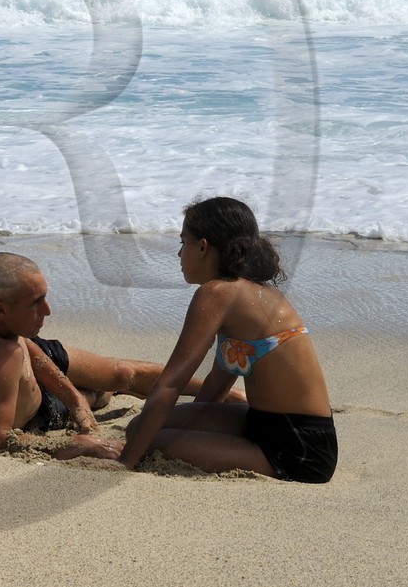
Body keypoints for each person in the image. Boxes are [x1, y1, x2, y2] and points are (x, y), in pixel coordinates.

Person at [103, 196, 337, 482]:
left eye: (182, 242)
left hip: (299, 449)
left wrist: (126, 460)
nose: (179, 254)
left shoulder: (215, 293)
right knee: (139, 428)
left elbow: (172, 382)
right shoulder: (244, 293)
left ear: (202, 247)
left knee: (150, 440)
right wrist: (187, 432)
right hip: (264, 423)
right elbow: (214, 391)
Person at [0, 251, 230, 456]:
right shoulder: (3, 356)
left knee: (121, 373)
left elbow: (22, 342)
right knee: (99, 394)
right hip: (37, 409)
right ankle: (101, 394)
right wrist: (78, 444)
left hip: (25, 349)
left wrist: (73, 400)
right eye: (36, 303)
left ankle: (234, 395)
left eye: (44, 297)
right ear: (0, 309)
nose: (48, 310)